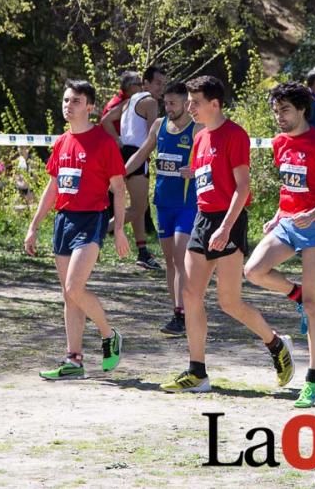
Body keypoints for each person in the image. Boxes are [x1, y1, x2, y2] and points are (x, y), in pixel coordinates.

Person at [160, 75, 294, 394]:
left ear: (214, 104)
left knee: (229, 302)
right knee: (191, 294)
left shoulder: (235, 135)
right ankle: (197, 372)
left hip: (228, 221)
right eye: (189, 102)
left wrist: (225, 227)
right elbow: (207, 175)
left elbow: (243, 187)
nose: (189, 107)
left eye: (195, 102)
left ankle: (276, 345)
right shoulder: (201, 137)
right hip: (203, 219)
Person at [243, 82, 315, 408]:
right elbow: (291, 184)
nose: (280, 117)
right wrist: (278, 215)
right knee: (253, 271)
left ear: (302, 110)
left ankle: (313, 378)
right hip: (288, 222)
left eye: (285, 110)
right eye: (276, 111)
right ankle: (296, 294)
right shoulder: (279, 143)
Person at [24, 79, 129, 380]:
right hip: (64, 221)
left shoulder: (104, 142)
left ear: (91, 107)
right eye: (66, 100)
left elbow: (119, 189)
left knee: (74, 287)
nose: (68, 106)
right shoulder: (60, 142)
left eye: (76, 101)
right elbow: (53, 187)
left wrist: (119, 229)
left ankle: (109, 335)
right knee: (69, 296)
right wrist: (33, 227)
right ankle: (74, 360)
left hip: (91, 219)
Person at [124, 81, 201, 336]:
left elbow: (214, 159)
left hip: (187, 204)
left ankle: (187, 313)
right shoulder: (158, 126)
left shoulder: (197, 127)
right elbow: (142, 152)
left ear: (186, 103)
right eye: (165, 103)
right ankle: (177, 312)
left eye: (173, 103)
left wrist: (198, 170)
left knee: (181, 258)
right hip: (163, 203)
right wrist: (121, 173)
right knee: (170, 261)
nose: (168, 108)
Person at [102, 65, 168, 270]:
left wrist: (119, 141)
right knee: (139, 207)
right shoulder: (150, 102)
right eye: (157, 83)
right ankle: (98, 230)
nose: (161, 88)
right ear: (145, 83)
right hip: (139, 155)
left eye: (164, 84)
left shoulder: (130, 100)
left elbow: (105, 120)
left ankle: (142, 251)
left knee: (138, 207)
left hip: (126, 153)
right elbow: (152, 136)